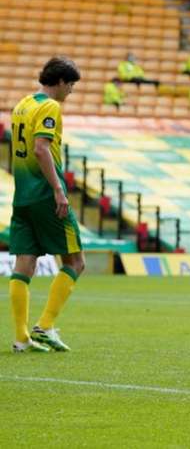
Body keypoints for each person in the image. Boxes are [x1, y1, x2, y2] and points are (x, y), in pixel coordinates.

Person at [9, 57, 86, 353]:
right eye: (72, 85)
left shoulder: (23, 104)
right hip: (44, 193)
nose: (72, 92)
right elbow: (41, 149)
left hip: (23, 194)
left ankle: (21, 337)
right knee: (76, 261)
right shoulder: (50, 107)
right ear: (62, 82)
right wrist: (58, 190)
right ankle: (45, 325)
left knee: (24, 262)